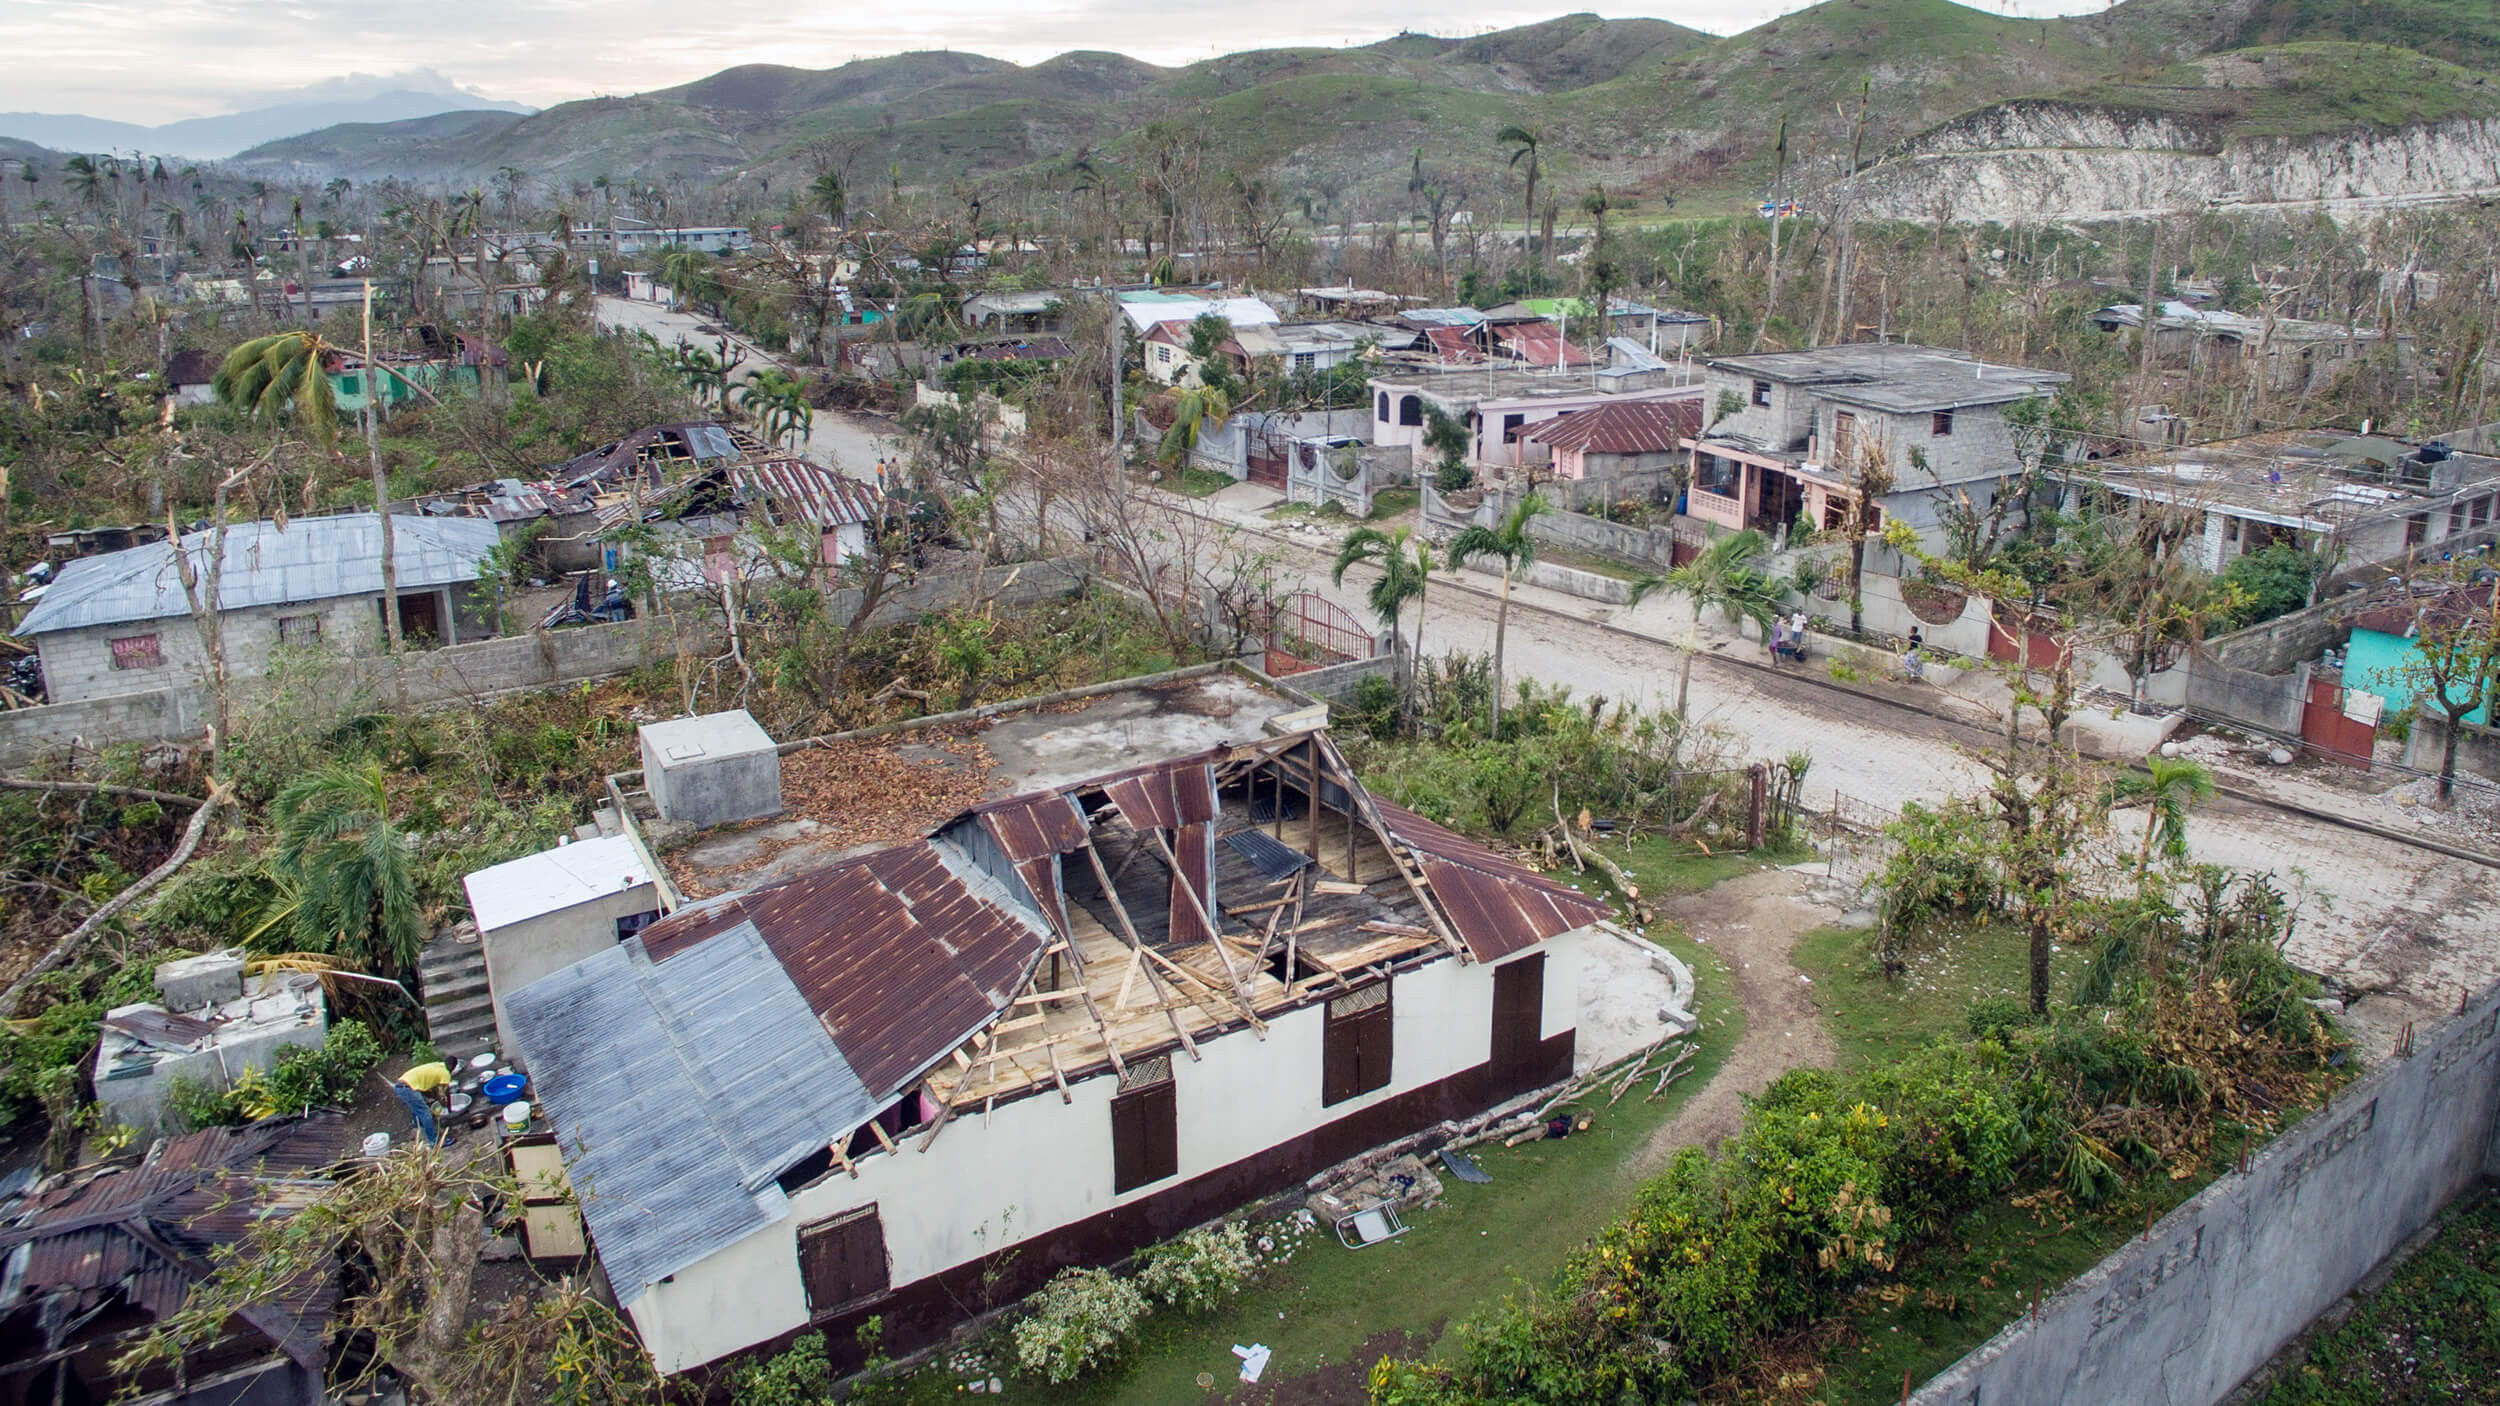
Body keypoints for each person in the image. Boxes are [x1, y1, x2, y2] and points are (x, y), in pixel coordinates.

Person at [392, 1060, 453, 1145]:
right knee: (425, 1113)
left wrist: (435, 1097)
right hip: (407, 1088)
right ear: (452, 1068)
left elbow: (425, 1088)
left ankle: (418, 1124)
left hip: (401, 1085)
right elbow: (445, 1094)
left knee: (417, 1107)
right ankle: (434, 1141)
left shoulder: (437, 1065)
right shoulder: (446, 1073)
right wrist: (449, 1108)